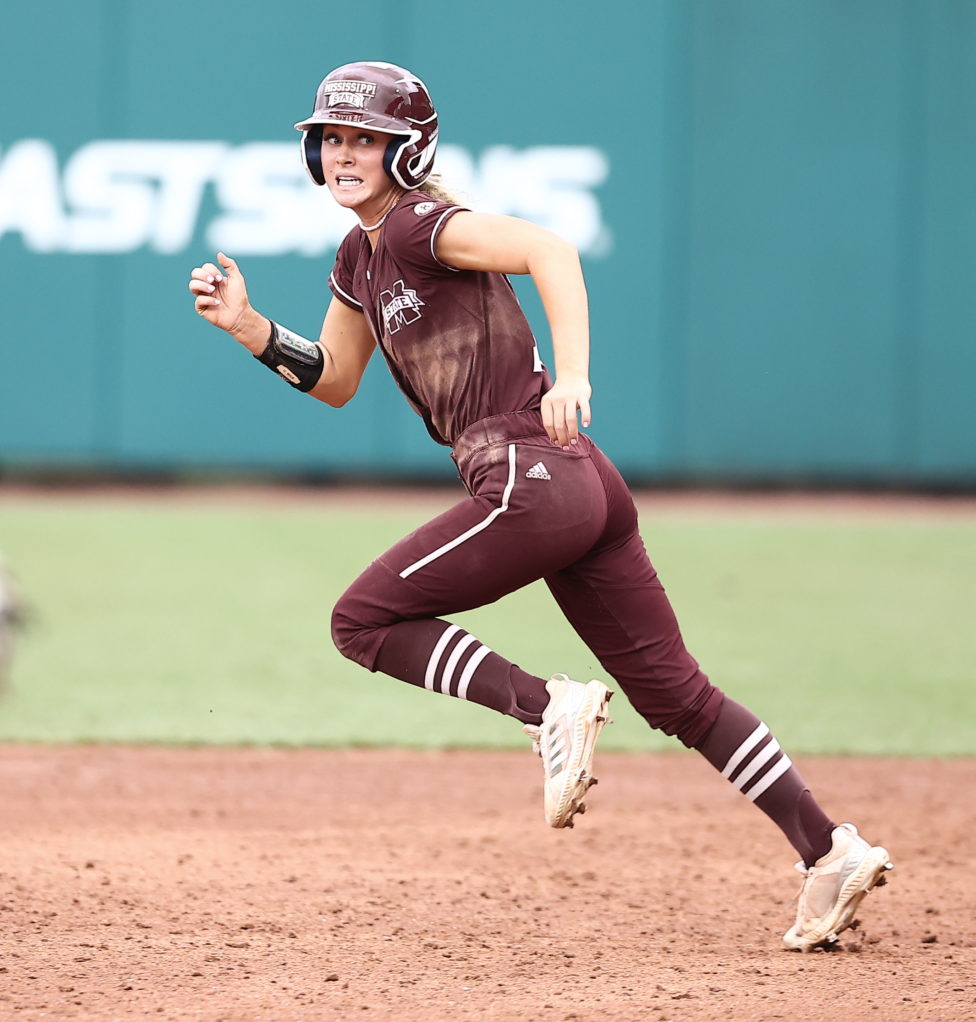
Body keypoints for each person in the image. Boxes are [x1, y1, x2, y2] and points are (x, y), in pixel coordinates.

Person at [187, 60, 892, 951]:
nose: (341, 153)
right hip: (574, 482)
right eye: (330, 137)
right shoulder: (359, 257)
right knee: (678, 697)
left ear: (409, 150)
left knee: (362, 621)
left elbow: (549, 250)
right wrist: (251, 329)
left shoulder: (417, 225)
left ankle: (546, 705)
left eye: (364, 138)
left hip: (527, 466)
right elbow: (334, 380)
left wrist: (581, 374)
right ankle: (828, 850)